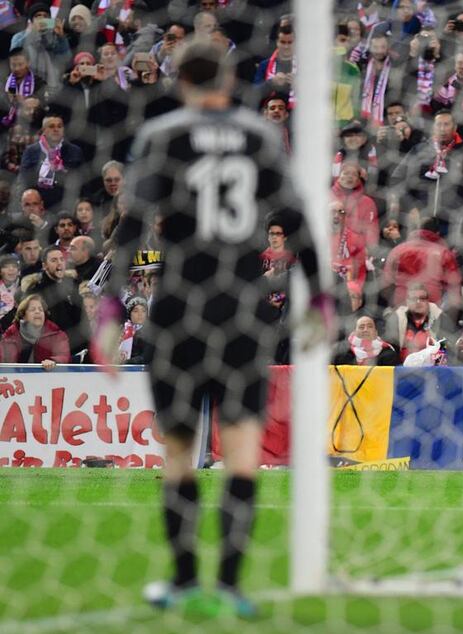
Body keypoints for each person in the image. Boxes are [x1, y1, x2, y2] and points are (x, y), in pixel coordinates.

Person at [94, 39, 327, 616]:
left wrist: (107, 310)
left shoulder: (165, 135)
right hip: (243, 309)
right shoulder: (260, 135)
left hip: (179, 309)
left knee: (178, 453)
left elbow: (132, 225)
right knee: (242, 451)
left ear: (181, 82)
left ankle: (181, 580)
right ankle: (230, 585)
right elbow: (296, 221)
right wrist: (319, 296)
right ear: (228, 79)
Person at [0, 293, 69, 369]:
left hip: (47, 377)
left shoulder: (57, 334)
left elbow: (64, 356)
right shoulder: (9, 336)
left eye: (41, 309)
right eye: (32, 309)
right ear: (23, 315)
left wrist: (54, 361)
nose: (37, 312)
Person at [332, 314, 398, 366]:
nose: (365, 330)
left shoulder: (388, 354)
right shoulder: (342, 353)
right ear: (354, 332)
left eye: (370, 326)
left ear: (376, 332)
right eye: (361, 327)